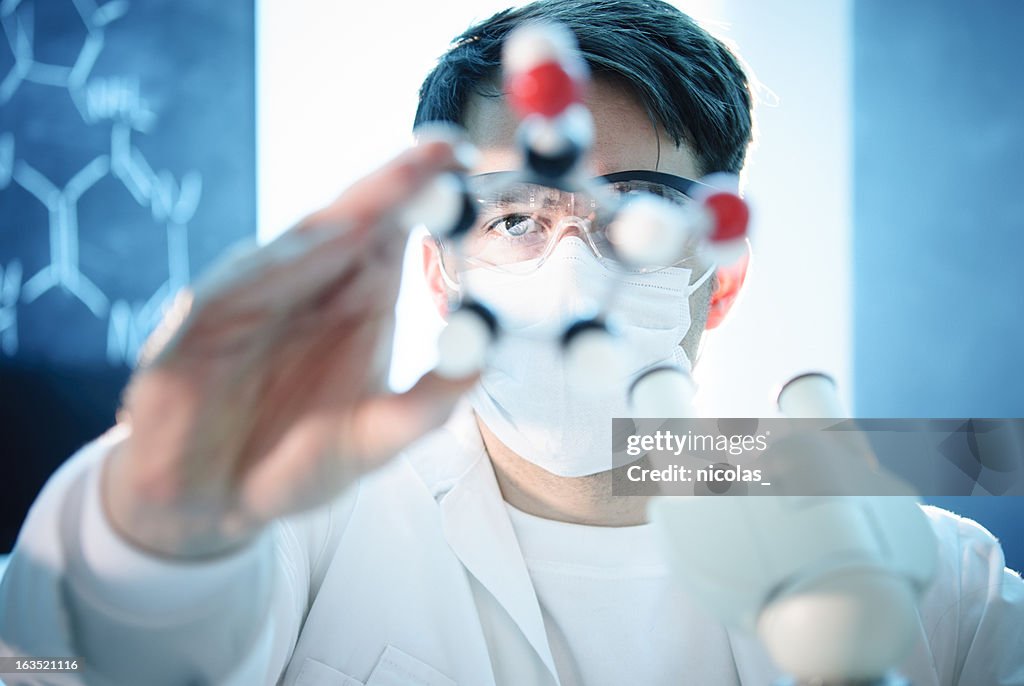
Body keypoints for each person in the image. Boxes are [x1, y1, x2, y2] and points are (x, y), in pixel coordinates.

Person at [1, 1, 1021, 684]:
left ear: (724, 277)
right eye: (514, 219)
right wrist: (152, 524)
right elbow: (55, 659)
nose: (571, 268)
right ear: (441, 273)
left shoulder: (928, 572)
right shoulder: (302, 525)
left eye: (637, 213)